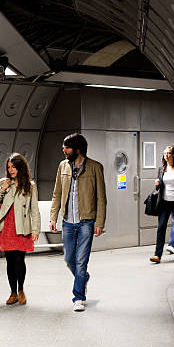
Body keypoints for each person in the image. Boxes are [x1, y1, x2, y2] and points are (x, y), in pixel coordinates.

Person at [49, 133, 107, 312]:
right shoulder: (62, 166)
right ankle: (83, 278)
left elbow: (101, 197)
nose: (64, 151)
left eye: (67, 147)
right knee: (69, 259)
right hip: (68, 221)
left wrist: (100, 222)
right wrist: (53, 217)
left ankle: (79, 297)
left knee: (81, 261)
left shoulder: (95, 167)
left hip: (86, 221)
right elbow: (57, 193)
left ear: (78, 149)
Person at [0, 153, 40, 306]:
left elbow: (34, 209)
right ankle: (12, 292)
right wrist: (3, 189)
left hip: (22, 227)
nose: (11, 170)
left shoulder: (29, 185)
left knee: (20, 260)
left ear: (21, 167)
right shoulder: (4, 182)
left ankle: (21, 290)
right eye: (9, 167)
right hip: (7, 227)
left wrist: (36, 229)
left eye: (14, 167)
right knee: (10, 261)